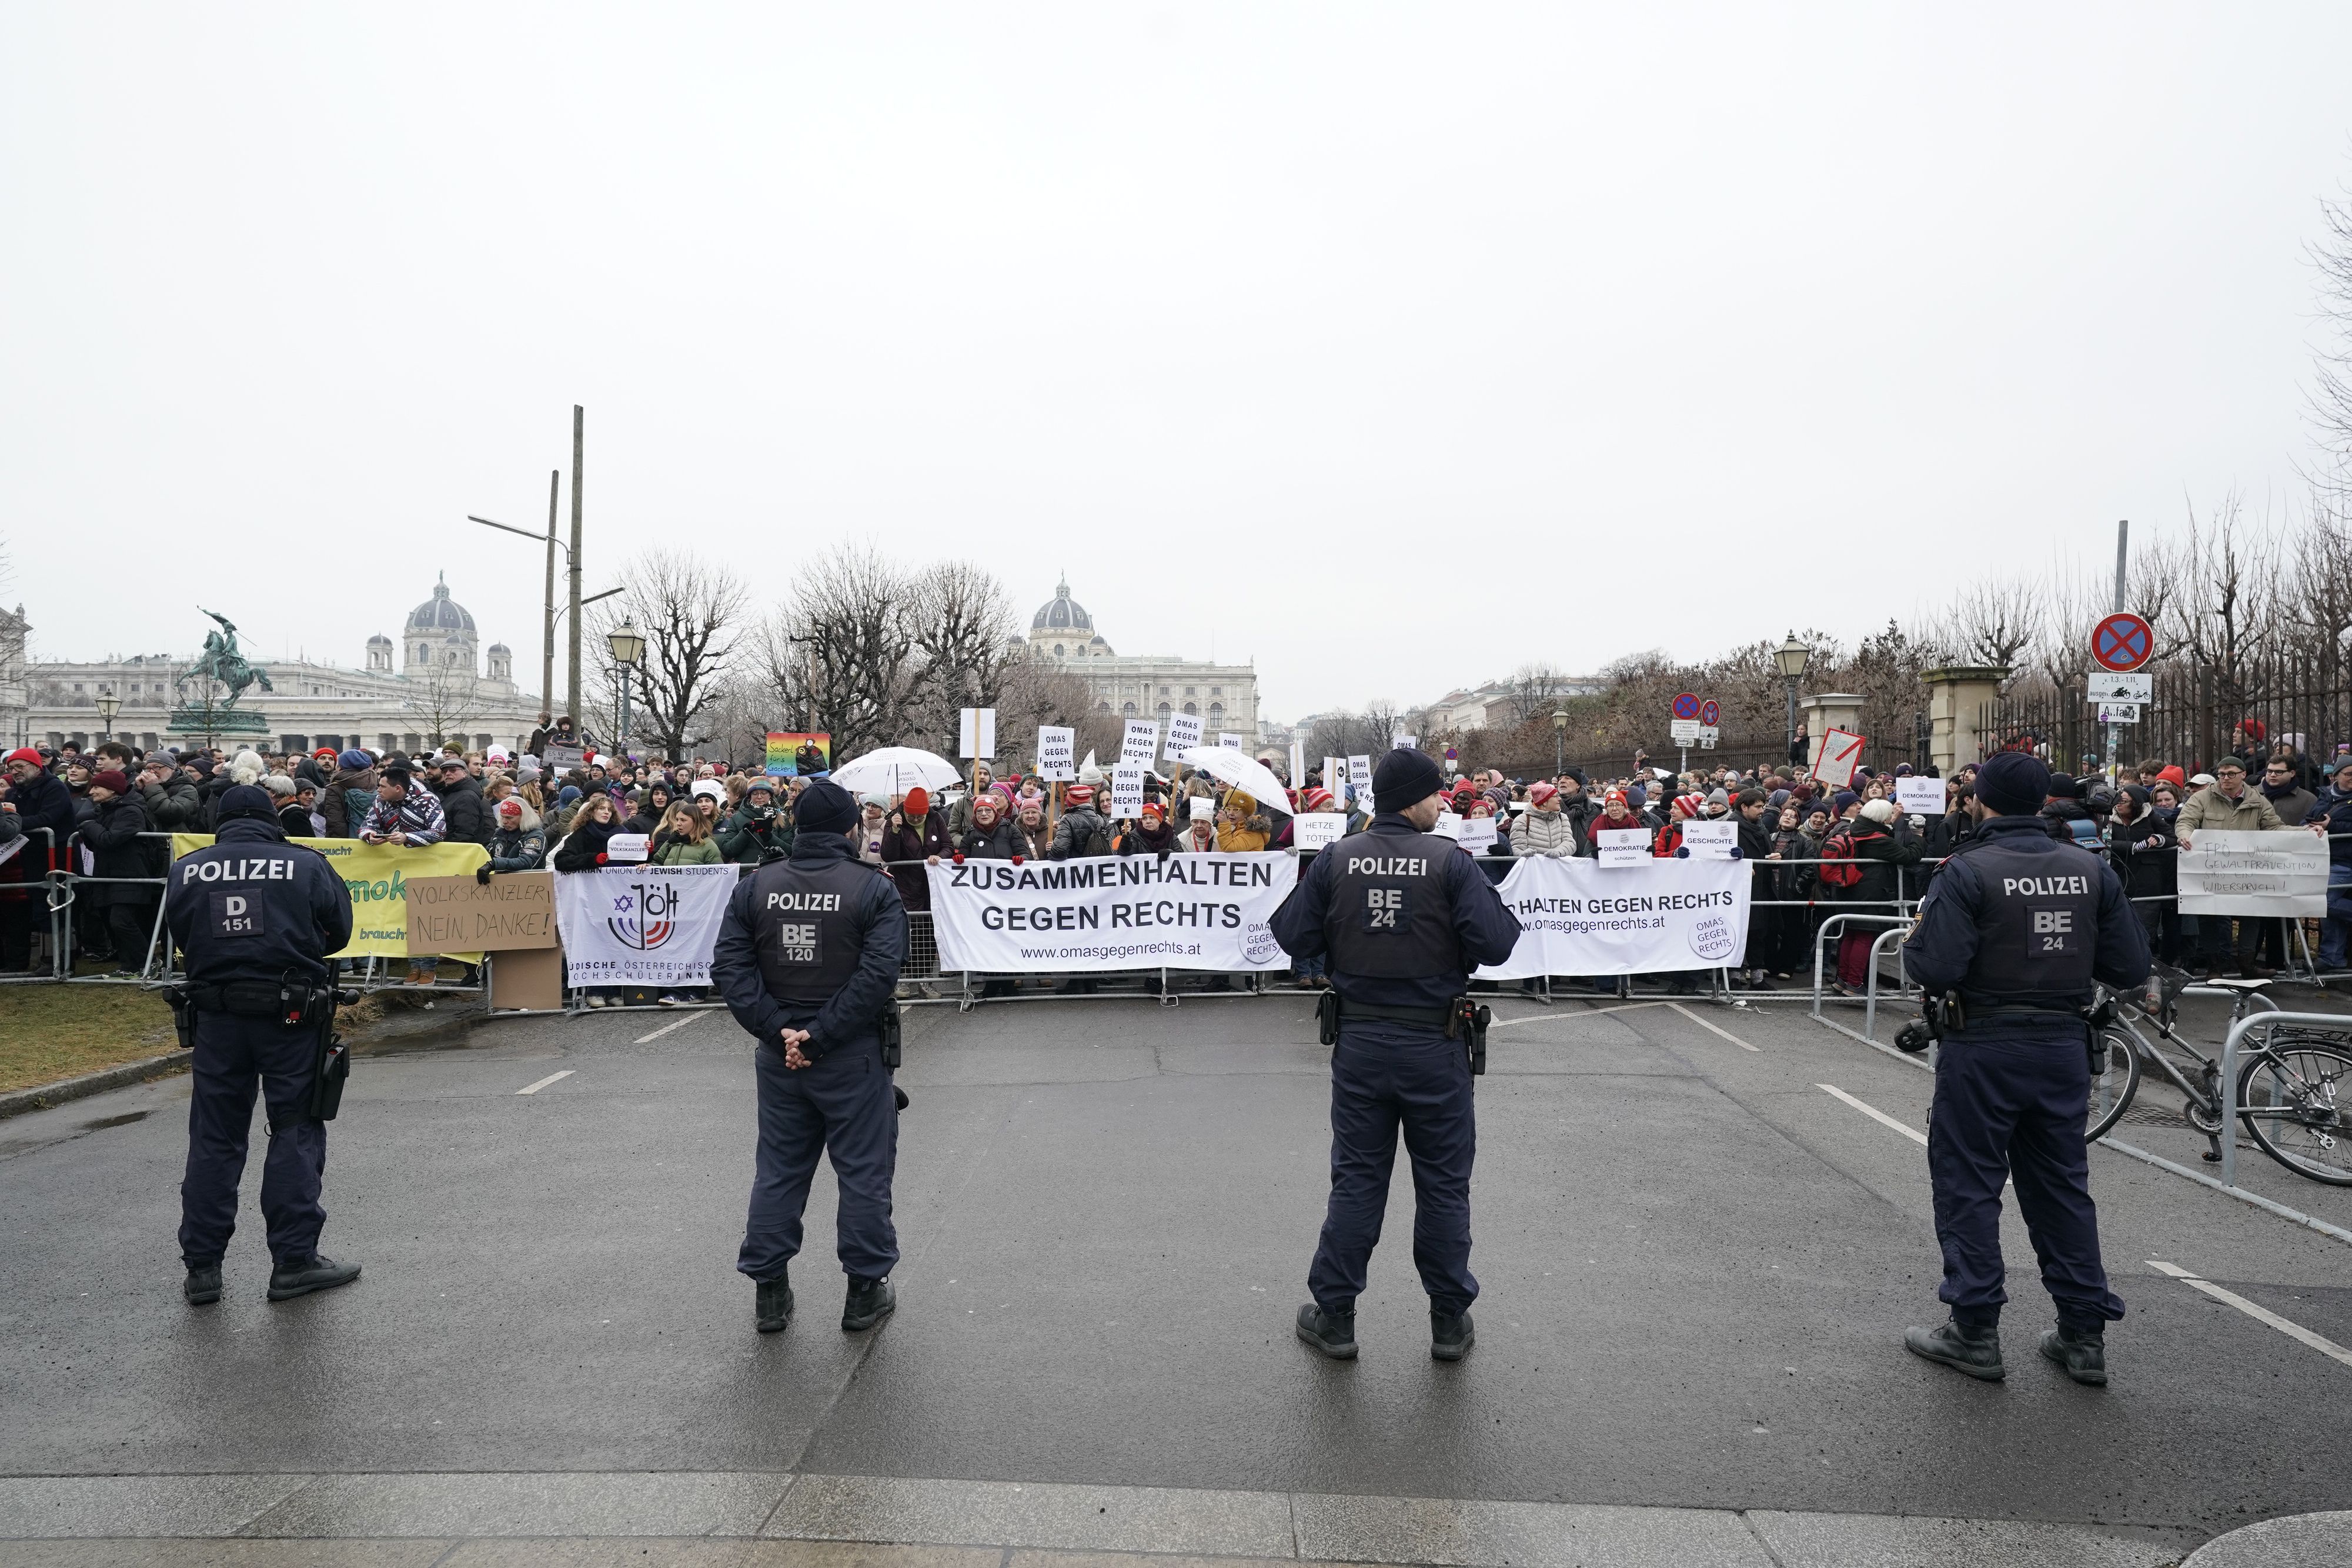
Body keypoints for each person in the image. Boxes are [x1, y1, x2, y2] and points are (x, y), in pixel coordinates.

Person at [1898, 750, 2150, 1388]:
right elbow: (2127, 968)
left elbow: (1936, 967)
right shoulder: (2090, 869)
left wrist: (1915, 939)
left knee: (1969, 1186)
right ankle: (2082, 1335)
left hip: (1983, 1044)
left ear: (1981, 799)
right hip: (2063, 1046)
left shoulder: (1965, 870)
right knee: (2062, 1187)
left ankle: (1974, 1331)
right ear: (2041, 802)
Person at [1268, 746, 1520, 1363]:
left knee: (1357, 1181)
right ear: (1412, 799)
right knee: (1442, 1185)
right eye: (1436, 794)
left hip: (1359, 1042)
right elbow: (1498, 944)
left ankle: (1335, 1316)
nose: (1443, 802)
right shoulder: (1450, 863)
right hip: (1434, 1045)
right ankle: (1447, 1320)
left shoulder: (1336, 858)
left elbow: (1290, 935)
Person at [708, 778, 908, 1336]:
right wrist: (815, 1037)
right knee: (864, 1173)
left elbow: (730, 968)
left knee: (778, 1171)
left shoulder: (758, 885)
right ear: (850, 829)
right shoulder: (873, 888)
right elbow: (877, 978)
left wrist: (781, 1034)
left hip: (782, 1057)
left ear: (796, 825)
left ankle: (770, 1291)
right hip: (850, 1053)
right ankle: (864, 1292)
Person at [163, 784, 359, 1307]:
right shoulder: (304, 863)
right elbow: (339, 931)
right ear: (272, 817)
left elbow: (180, 931)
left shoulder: (189, 866)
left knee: (214, 1137)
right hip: (290, 1015)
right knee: (294, 1128)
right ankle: (293, 1262)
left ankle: (202, 1268)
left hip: (216, 1016)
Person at [2175, 757, 2289, 978]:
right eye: (2221, 774)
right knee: (2210, 916)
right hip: (2212, 870)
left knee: (2252, 914)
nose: (2225, 779)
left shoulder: (2258, 800)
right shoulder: (2202, 797)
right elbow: (2186, 820)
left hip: (2246, 871)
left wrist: (2308, 834)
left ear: (2243, 775)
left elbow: (2276, 828)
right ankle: (2215, 966)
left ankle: (2247, 965)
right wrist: (2184, 835)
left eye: (2231, 774)